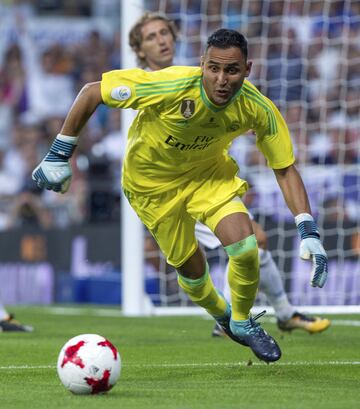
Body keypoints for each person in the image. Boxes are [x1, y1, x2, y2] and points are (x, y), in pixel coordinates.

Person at [32, 27, 329, 363]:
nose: (221, 79)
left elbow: (285, 168)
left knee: (247, 246)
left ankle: (244, 321)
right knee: (191, 271)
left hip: (208, 178)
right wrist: (60, 152)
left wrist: (308, 230)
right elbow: (91, 92)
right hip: (152, 187)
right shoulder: (170, 84)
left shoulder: (257, 108)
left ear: (247, 70)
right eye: (213, 68)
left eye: (231, 70)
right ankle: (222, 314)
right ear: (202, 64)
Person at [129, 12, 331, 335]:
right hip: (164, 187)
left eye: (165, 32)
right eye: (151, 37)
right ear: (139, 50)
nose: (162, 40)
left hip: (205, 179)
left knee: (251, 242)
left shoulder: (209, 77)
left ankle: (266, 314)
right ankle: (246, 316)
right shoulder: (149, 85)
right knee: (222, 253)